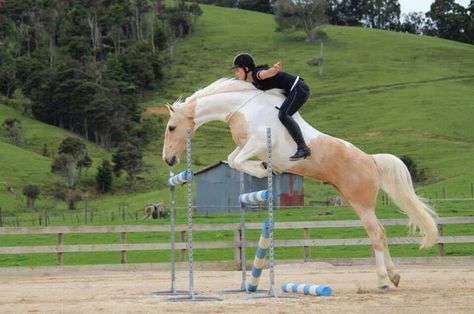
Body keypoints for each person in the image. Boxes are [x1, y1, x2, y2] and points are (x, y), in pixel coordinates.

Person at [231, 52, 311, 161]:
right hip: (292, 91)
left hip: (299, 89)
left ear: (245, 68)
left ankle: (303, 148)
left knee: (283, 115)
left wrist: (273, 71)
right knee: (276, 117)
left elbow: (265, 74)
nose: (236, 73)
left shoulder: (256, 74)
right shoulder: (253, 82)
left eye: (237, 70)